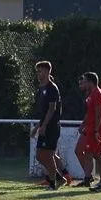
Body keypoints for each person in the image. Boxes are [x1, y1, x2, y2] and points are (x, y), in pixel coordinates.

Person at [31, 61, 63, 190]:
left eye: (40, 71)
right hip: (45, 126)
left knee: (48, 155)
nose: (38, 74)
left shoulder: (52, 88)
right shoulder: (41, 89)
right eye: (37, 71)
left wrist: (44, 126)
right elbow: (44, 113)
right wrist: (36, 127)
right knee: (40, 156)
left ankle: (53, 183)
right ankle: (59, 178)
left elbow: (52, 109)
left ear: (47, 71)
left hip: (52, 127)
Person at [74, 72, 101, 188]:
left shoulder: (98, 94)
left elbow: (99, 114)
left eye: (85, 81)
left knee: (90, 154)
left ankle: (89, 178)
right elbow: (89, 112)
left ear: (90, 82)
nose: (83, 84)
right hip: (89, 127)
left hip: (94, 129)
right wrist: (83, 124)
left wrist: (96, 130)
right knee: (87, 152)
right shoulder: (91, 94)